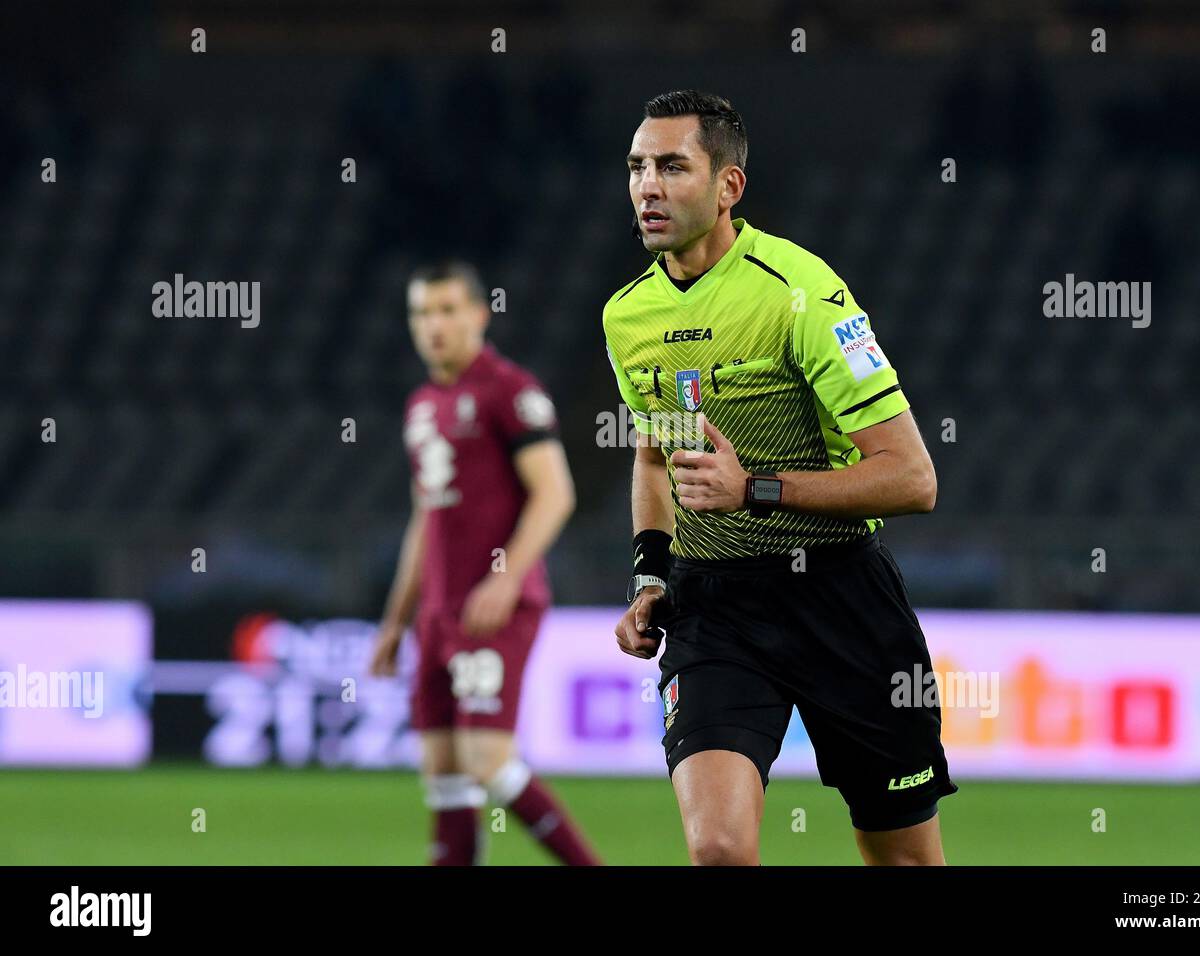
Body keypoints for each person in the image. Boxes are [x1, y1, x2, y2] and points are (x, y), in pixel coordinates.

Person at [603, 91, 957, 865]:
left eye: (672, 166)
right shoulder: (625, 316)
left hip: (841, 599)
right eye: (637, 167)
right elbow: (655, 455)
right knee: (720, 851)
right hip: (715, 607)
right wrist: (649, 573)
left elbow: (912, 478)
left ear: (729, 186)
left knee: (905, 859)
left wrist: (755, 488)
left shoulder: (801, 292)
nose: (647, 187)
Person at [371, 261, 598, 866]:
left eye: (447, 310)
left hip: (495, 609)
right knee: (443, 771)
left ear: (479, 314)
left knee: (487, 761)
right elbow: (427, 518)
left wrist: (506, 576)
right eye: (422, 312)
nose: (434, 325)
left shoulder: (509, 390)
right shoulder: (422, 405)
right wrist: (396, 622)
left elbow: (556, 493)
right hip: (440, 613)